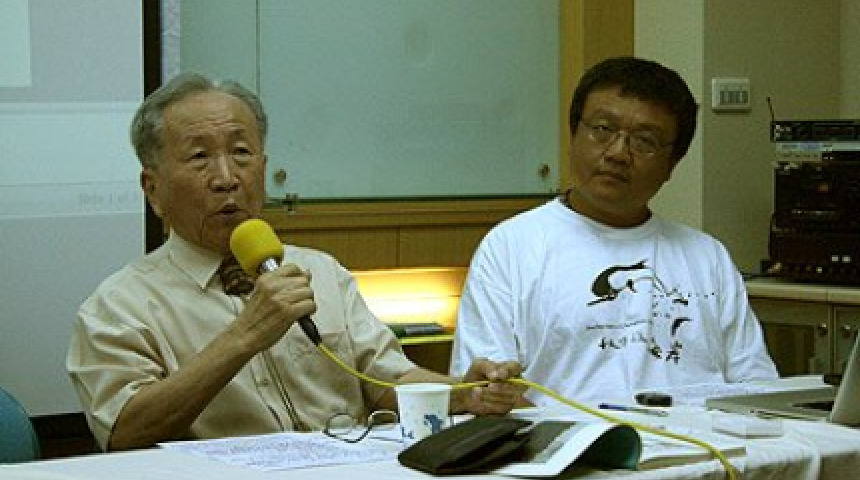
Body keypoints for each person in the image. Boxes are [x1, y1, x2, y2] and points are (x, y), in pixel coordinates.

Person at [66, 72, 524, 452]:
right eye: (200, 157)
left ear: (263, 168)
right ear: (152, 190)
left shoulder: (321, 272)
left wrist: (464, 394)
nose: (227, 178)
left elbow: (384, 380)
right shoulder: (119, 306)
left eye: (241, 153)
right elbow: (124, 432)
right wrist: (245, 336)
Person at [450, 56, 778, 407]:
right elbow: (486, 392)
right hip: (566, 440)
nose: (618, 153)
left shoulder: (706, 256)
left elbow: (758, 389)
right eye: (603, 129)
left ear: (672, 164)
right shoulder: (512, 246)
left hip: (700, 438)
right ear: (574, 134)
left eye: (644, 141)